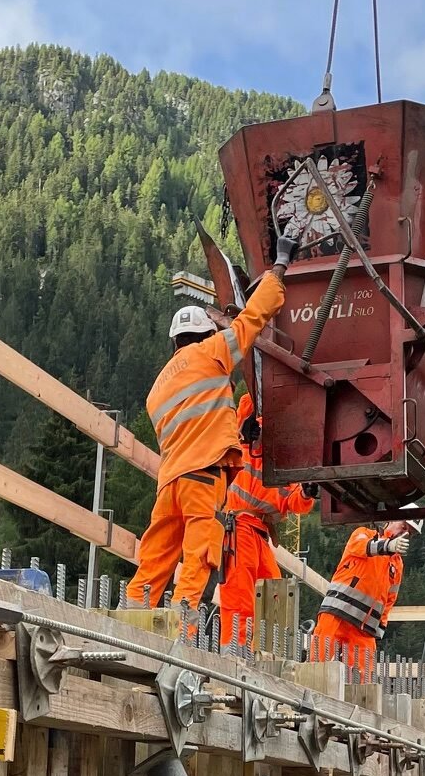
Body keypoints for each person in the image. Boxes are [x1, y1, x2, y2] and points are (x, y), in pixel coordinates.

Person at [125, 236, 298, 618]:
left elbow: (196, 423)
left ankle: (131, 623)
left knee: (153, 562)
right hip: (202, 478)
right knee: (199, 557)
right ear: (206, 335)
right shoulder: (210, 353)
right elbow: (253, 319)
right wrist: (280, 267)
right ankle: (182, 635)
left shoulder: (157, 389)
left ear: (174, 342)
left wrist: (238, 431)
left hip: (170, 483)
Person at [218, 396, 315, 648]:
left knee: (275, 599)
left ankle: (262, 654)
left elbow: (292, 500)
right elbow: (246, 407)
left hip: (260, 534)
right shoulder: (252, 431)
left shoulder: (289, 456)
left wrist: (306, 493)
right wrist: (250, 419)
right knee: (240, 597)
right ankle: (235, 654)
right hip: (239, 526)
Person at [306, 518, 419, 679]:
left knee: (363, 680)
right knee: (317, 666)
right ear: (392, 519)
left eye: (410, 533)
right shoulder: (363, 534)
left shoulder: (397, 564)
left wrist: (379, 628)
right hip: (338, 614)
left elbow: (389, 599)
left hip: (364, 629)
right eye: (403, 527)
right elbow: (362, 547)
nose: (405, 534)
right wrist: (387, 546)